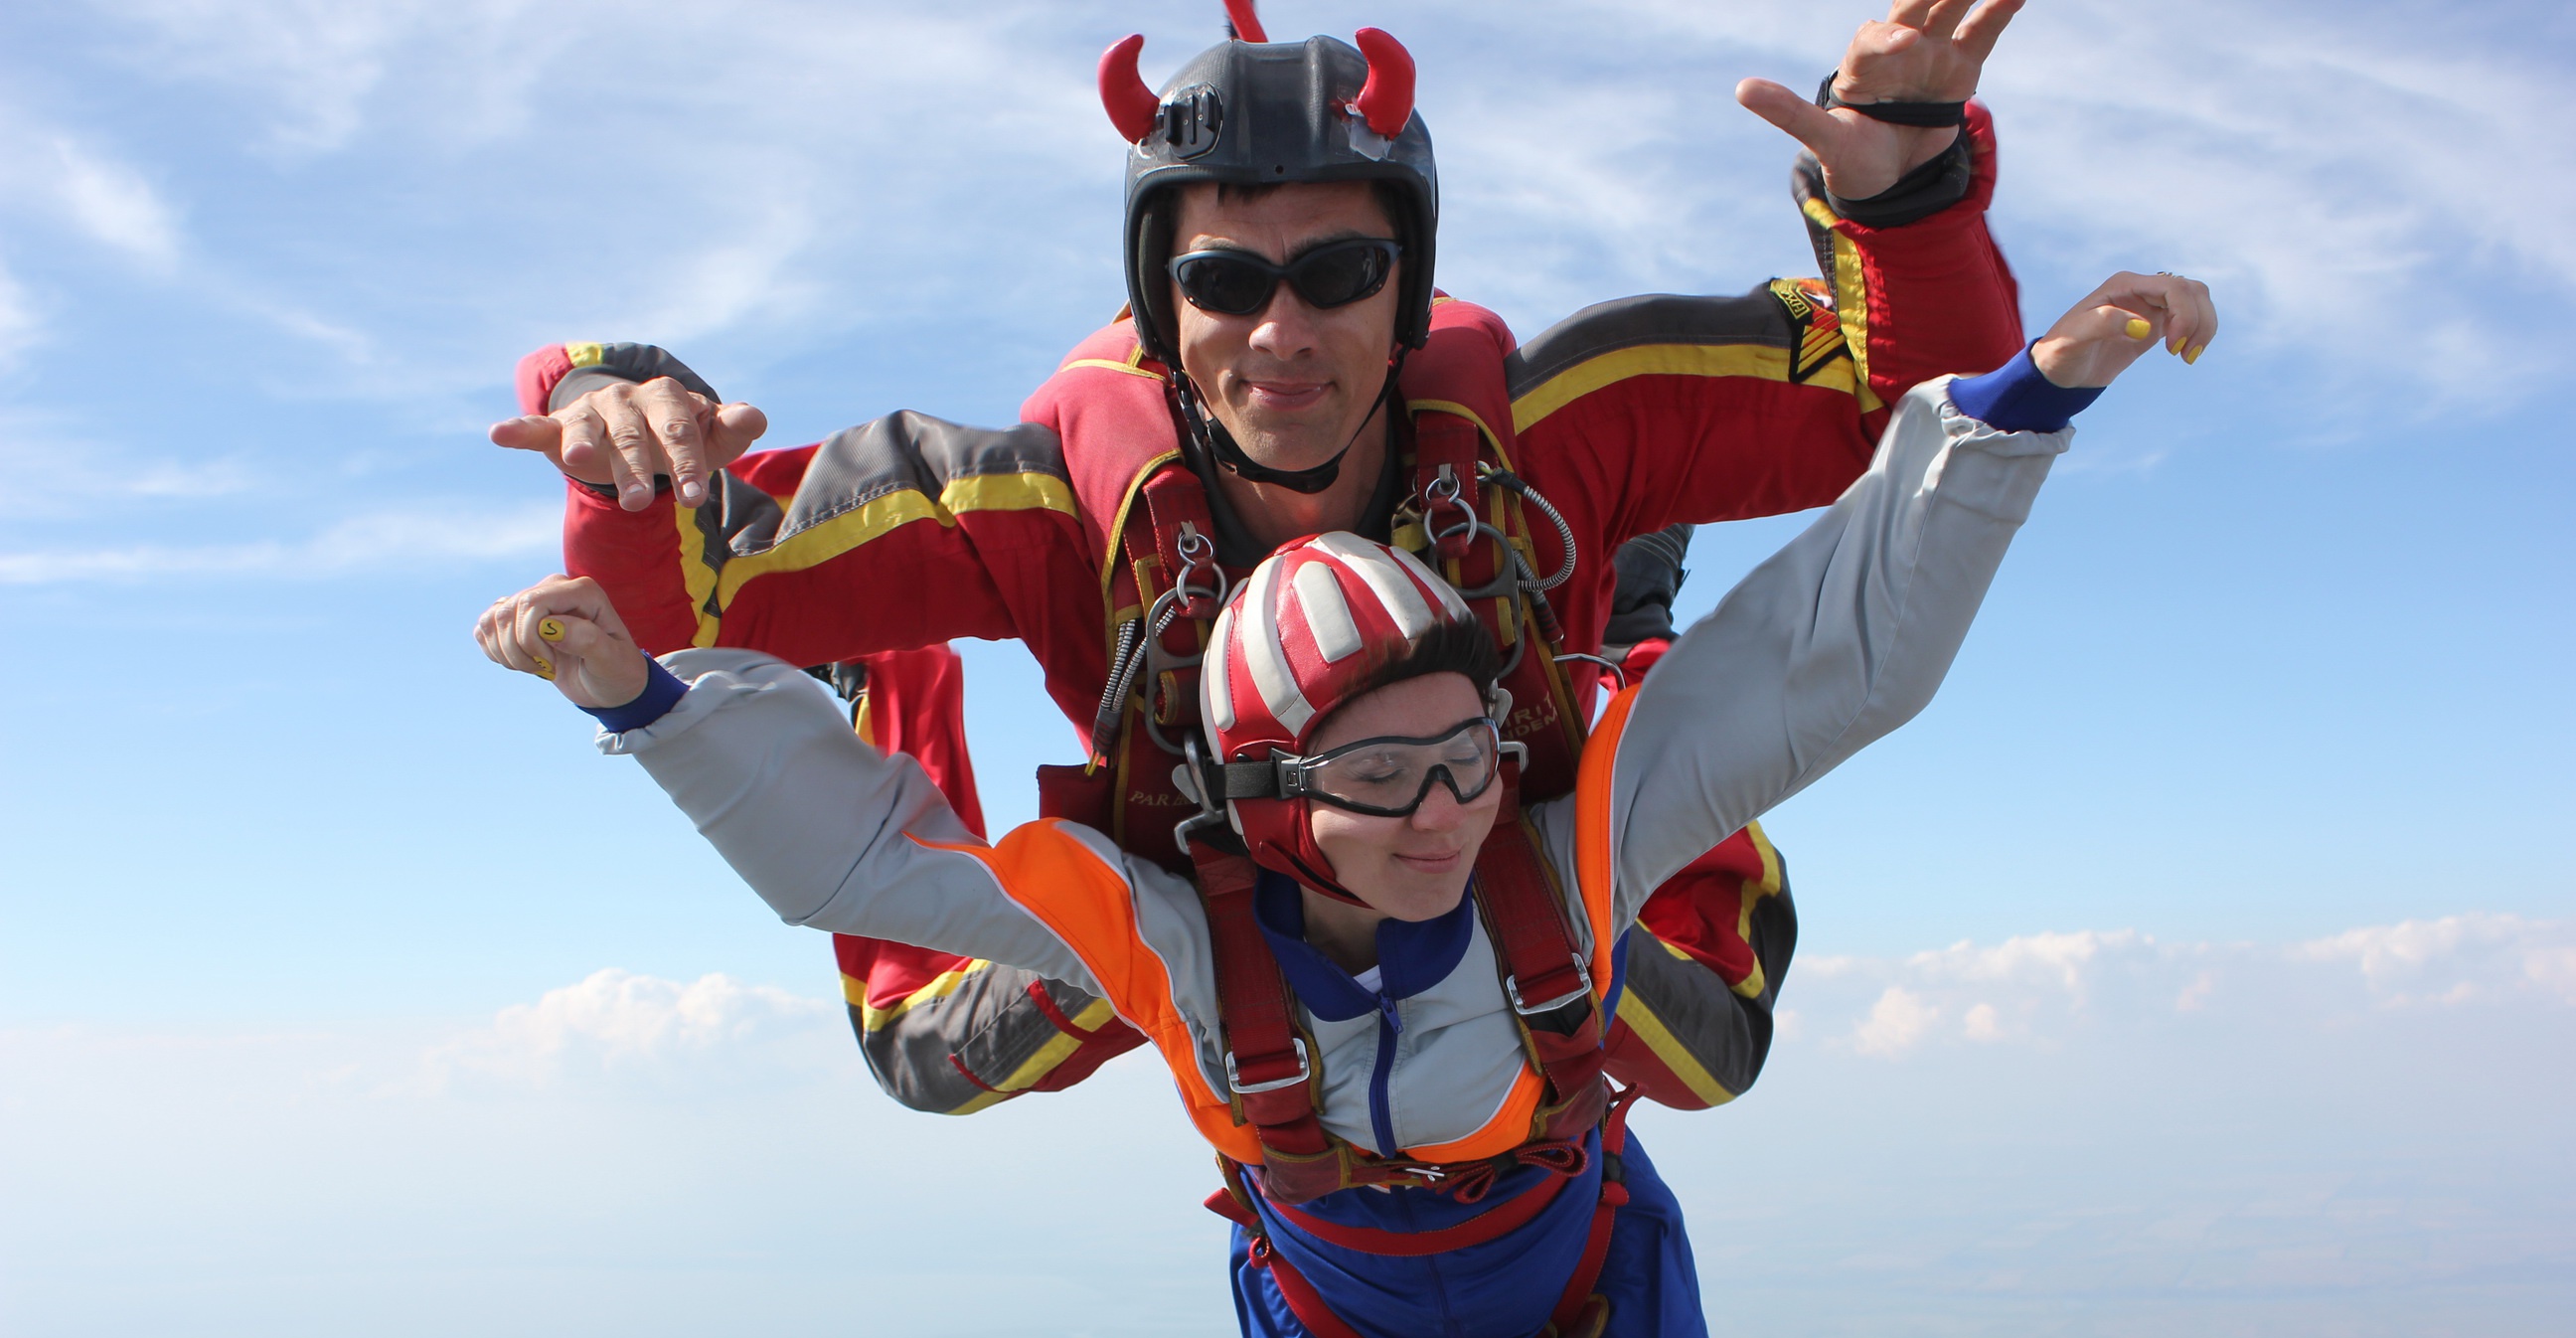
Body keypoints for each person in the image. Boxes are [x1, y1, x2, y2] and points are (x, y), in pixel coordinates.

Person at [476, 273, 2217, 1338]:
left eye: (1465, 756)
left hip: (1583, 1267)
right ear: (1259, 803)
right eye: (1378, 780)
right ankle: (890, 666)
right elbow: (875, 868)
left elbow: (1833, 660)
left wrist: (2016, 412)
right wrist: (649, 706)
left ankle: (1613, 608)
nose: (1446, 814)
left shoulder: (1560, 851)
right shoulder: (1170, 936)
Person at [486, 0, 2062, 1121]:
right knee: (932, 1056)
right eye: (1226, 282)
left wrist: (1907, 196)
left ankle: (1619, 624)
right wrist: (615, 435)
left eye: (1343, 272)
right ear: (1160, 306)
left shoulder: (1550, 420)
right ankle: (889, 663)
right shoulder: (1041, 500)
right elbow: (681, 614)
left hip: (1492, 820)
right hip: (1205, 887)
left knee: (1707, 1050)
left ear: (1408, 287)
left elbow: (1910, 410)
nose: (1283, 334)